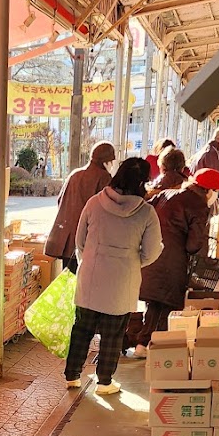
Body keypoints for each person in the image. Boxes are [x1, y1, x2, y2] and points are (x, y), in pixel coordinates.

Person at [63, 156, 162, 396]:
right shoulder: (146, 213)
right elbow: (151, 252)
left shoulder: (95, 203)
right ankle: (104, 382)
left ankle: (72, 376)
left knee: (82, 328)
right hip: (122, 279)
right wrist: (131, 261)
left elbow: (80, 241)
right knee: (113, 332)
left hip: (92, 274)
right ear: (143, 182)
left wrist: (91, 260)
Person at [124, 167, 219, 355]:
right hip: (172, 263)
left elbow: (143, 213)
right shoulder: (198, 205)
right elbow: (193, 245)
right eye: (217, 192)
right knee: (167, 307)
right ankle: (157, 349)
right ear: (209, 191)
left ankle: (142, 345)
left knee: (154, 304)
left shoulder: (167, 193)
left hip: (149, 256)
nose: (216, 197)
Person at [45, 141, 115, 272]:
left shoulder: (75, 174)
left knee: (68, 279)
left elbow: (60, 200)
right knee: (84, 282)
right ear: (106, 161)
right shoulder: (104, 178)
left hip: (67, 237)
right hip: (87, 239)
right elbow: (107, 210)